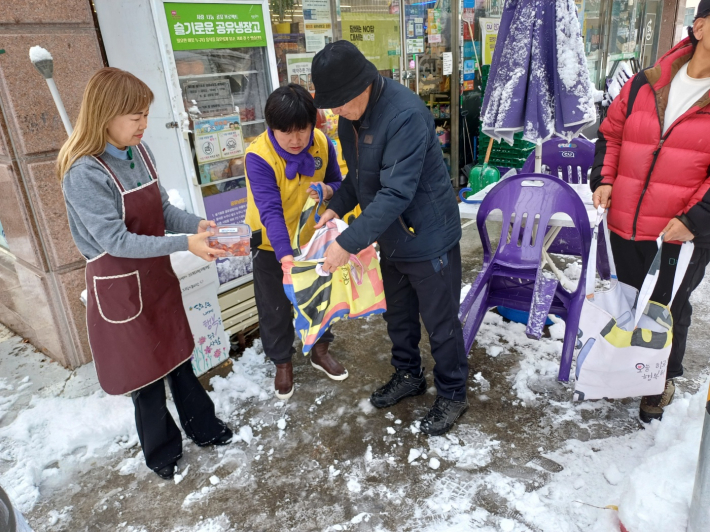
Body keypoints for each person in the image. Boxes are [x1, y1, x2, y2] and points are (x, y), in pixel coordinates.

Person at [59, 68, 232, 480]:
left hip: (156, 278)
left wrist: (196, 226)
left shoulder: (140, 152)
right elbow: (118, 241)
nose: (143, 124)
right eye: (134, 115)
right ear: (106, 114)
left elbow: (161, 210)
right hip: (120, 286)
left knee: (178, 357)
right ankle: (162, 452)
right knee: (146, 377)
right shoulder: (84, 173)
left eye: (145, 114)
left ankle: (203, 428)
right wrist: (182, 244)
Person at [311, 41, 468, 436]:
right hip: (391, 236)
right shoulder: (351, 118)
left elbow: (396, 192)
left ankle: (452, 391)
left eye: (340, 102)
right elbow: (360, 179)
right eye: (331, 105)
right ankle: (408, 374)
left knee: (441, 320)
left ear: (363, 84)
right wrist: (337, 206)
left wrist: (347, 244)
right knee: (397, 313)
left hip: (427, 233)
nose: (336, 112)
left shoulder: (406, 115)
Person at [591, 2, 710, 422]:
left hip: (682, 230)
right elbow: (612, 133)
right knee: (625, 298)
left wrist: (696, 219)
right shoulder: (648, 82)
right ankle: (623, 370)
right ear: (698, 26)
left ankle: (660, 380)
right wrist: (605, 180)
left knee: (668, 307)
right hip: (626, 218)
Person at [244, 84, 347, 400]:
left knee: (318, 298)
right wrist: (286, 259)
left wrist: (327, 191)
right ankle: (282, 362)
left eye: (301, 129)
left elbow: (337, 183)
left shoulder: (322, 143)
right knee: (274, 307)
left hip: (312, 240)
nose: (295, 139)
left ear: (312, 123)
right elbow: (270, 211)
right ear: (271, 127)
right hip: (271, 244)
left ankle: (320, 349)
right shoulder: (258, 156)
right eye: (285, 131)